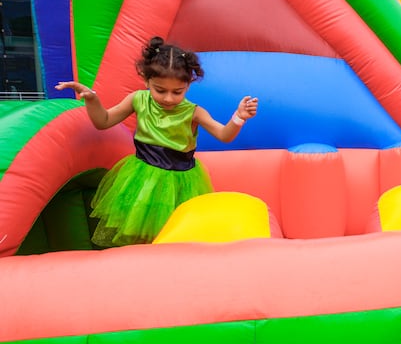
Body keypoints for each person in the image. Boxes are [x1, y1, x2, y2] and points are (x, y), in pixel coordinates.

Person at [55, 36, 259, 247]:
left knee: (176, 235)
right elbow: (103, 121)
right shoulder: (138, 100)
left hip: (180, 182)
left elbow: (224, 135)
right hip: (142, 178)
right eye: (160, 90)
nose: (168, 98)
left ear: (187, 86)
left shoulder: (193, 112)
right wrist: (91, 99)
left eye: (177, 92)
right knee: (140, 234)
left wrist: (239, 117)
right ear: (146, 81)